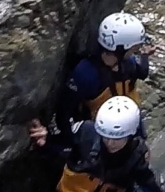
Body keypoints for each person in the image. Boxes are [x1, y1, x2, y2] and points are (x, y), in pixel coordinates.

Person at [51, 12, 154, 149]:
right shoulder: (86, 73)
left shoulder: (126, 61)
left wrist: (145, 56)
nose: (137, 49)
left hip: (130, 119)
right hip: (104, 134)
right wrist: (76, 144)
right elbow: (64, 112)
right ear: (120, 49)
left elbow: (141, 73)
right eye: (134, 48)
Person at [30, 96, 163, 192]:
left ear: (130, 135)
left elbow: (147, 183)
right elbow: (63, 144)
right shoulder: (85, 132)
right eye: (106, 137)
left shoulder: (137, 156)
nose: (110, 143)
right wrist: (46, 141)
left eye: (117, 139)